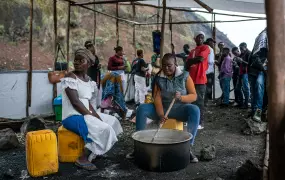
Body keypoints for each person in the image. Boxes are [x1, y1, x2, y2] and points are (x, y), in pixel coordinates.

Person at [127, 53, 200, 163]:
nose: (166, 68)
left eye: (169, 65)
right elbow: (157, 99)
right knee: (142, 108)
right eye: (164, 65)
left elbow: (194, 96)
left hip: (180, 109)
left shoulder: (185, 76)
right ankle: (139, 147)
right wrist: (161, 115)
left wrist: (182, 98)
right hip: (162, 109)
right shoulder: (158, 78)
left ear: (175, 64)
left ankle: (187, 148)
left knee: (195, 110)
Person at [61, 48, 123, 170]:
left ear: (88, 64)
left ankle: (96, 151)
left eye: (81, 60)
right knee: (103, 128)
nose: (77, 63)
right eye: (76, 60)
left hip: (84, 113)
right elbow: (75, 102)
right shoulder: (70, 77)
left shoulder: (89, 81)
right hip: (72, 115)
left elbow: (88, 103)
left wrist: (96, 115)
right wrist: (92, 117)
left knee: (112, 122)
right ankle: (83, 158)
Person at [185, 31, 210, 130]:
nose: (200, 39)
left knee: (199, 101)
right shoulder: (192, 51)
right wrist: (190, 61)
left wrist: (190, 61)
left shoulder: (205, 48)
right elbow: (187, 65)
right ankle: (190, 120)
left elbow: (199, 59)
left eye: (202, 37)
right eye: (198, 37)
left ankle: (200, 122)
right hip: (191, 79)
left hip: (200, 80)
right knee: (190, 100)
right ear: (194, 39)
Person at [248, 28, 268, 122]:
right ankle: (257, 111)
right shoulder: (263, 36)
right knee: (259, 87)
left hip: (263, 68)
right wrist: (264, 69)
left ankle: (259, 111)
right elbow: (256, 56)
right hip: (260, 68)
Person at [237, 42, 251, 109]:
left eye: (241, 48)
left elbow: (250, 64)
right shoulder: (242, 54)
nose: (240, 49)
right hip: (241, 73)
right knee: (238, 88)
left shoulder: (249, 53)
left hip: (246, 73)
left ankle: (246, 104)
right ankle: (241, 102)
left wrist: (242, 61)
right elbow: (240, 63)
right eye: (240, 48)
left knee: (246, 88)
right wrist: (237, 61)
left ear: (245, 47)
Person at [204, 38, 216, 106]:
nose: (213, 44)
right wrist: (214, 61)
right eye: (212, 42)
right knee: (208, 87)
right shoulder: (210, 49)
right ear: (209, 42)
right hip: (209, 71)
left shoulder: (203, 48)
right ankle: (207, 101)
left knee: (204, 86)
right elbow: (210, 61)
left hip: (204, 71)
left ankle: (204, 101)